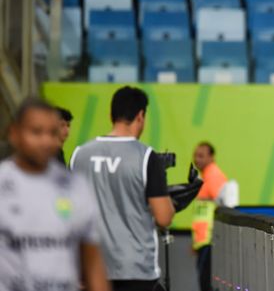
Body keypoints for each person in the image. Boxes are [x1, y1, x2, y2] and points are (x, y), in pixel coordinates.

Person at [70, 86, 175, 291]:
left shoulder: (79, 155)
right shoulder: (145, 157)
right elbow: (163, 217)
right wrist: (171, 203)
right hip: (135, 268)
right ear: (141, 115)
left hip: (91, 267)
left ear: (111, 115)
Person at [0, 98, 110, 291]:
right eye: (36, 132)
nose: (46, 141)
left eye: (52, 133)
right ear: (14, 133)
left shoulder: (76, 186)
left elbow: (92, 261)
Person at [192, 142, 228, 291]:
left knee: (206, 283)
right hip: (204, 241)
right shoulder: (205, 176)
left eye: (201, 156)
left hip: (210, 239)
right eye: (195, 155)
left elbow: (223, 205)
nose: (197, 159)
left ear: (211, 157)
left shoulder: (213, 175)